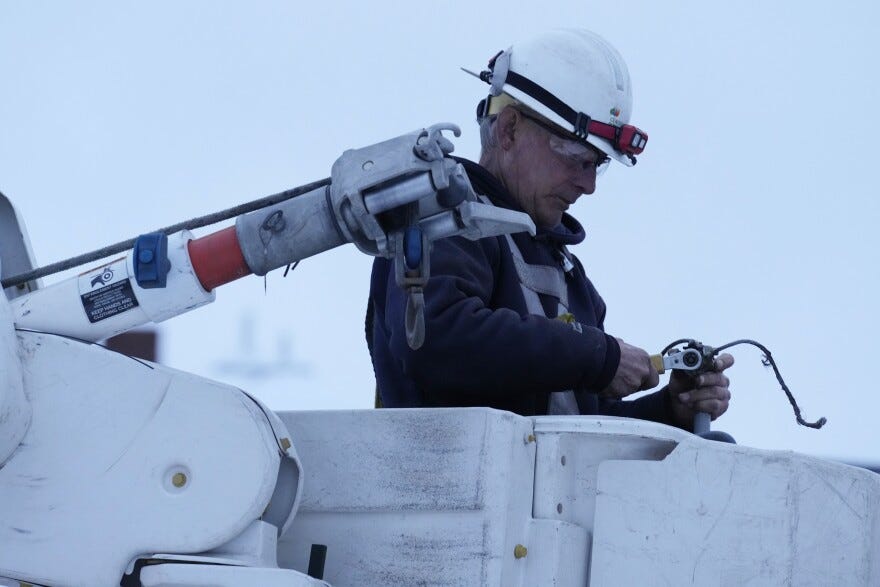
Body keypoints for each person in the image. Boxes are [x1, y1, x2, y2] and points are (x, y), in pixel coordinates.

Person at [366, 29, 733, 430]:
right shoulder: (445, 222)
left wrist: (667, 411)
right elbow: (433, 339)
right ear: (509, 130)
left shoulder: (568, 276)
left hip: (535, 492)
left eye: (598, 165)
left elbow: (578, 426)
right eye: (578, 159)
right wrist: (597, 357)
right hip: (444, 489)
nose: (589, 185)